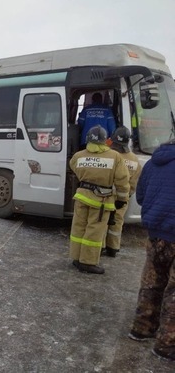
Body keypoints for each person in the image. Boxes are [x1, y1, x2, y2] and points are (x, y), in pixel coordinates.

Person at [127, 139, 175, 362]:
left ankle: (142, 328)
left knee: (151, 283)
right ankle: (166, 345)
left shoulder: (153, 163)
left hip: (155, 235)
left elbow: (141, 195)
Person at [69, 125, 129, 274]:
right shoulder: (115, 157)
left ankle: (76, 258)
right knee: (94, 232)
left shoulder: (79, 156)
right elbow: (122, 181)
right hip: (101, 201)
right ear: (105, 140)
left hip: (81, 197)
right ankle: (88, 262)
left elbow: (73, 167)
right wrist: (121, 199)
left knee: (78, 228)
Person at [103, 126, 142, 257]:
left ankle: (101, 246)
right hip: (123, 198)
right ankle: (113, 247)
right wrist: (126, 196)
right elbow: (134, 183)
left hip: (105, 195)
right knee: (117, 222)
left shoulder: (109, 155)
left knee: (102, 220)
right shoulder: (134, 160)